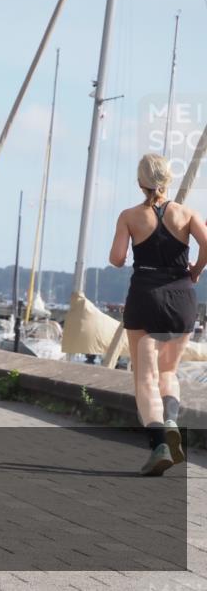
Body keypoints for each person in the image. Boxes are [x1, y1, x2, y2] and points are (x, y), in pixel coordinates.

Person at [109, 153, 206, 475]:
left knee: (145, 376)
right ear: (168, 180)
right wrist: (195, 270)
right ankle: (171, 422)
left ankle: (159, 443)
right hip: (182, 296)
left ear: (140, 182)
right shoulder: (187, 214)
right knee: (169, 372)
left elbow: (117, 258)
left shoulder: (129, 216)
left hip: (145, 295)